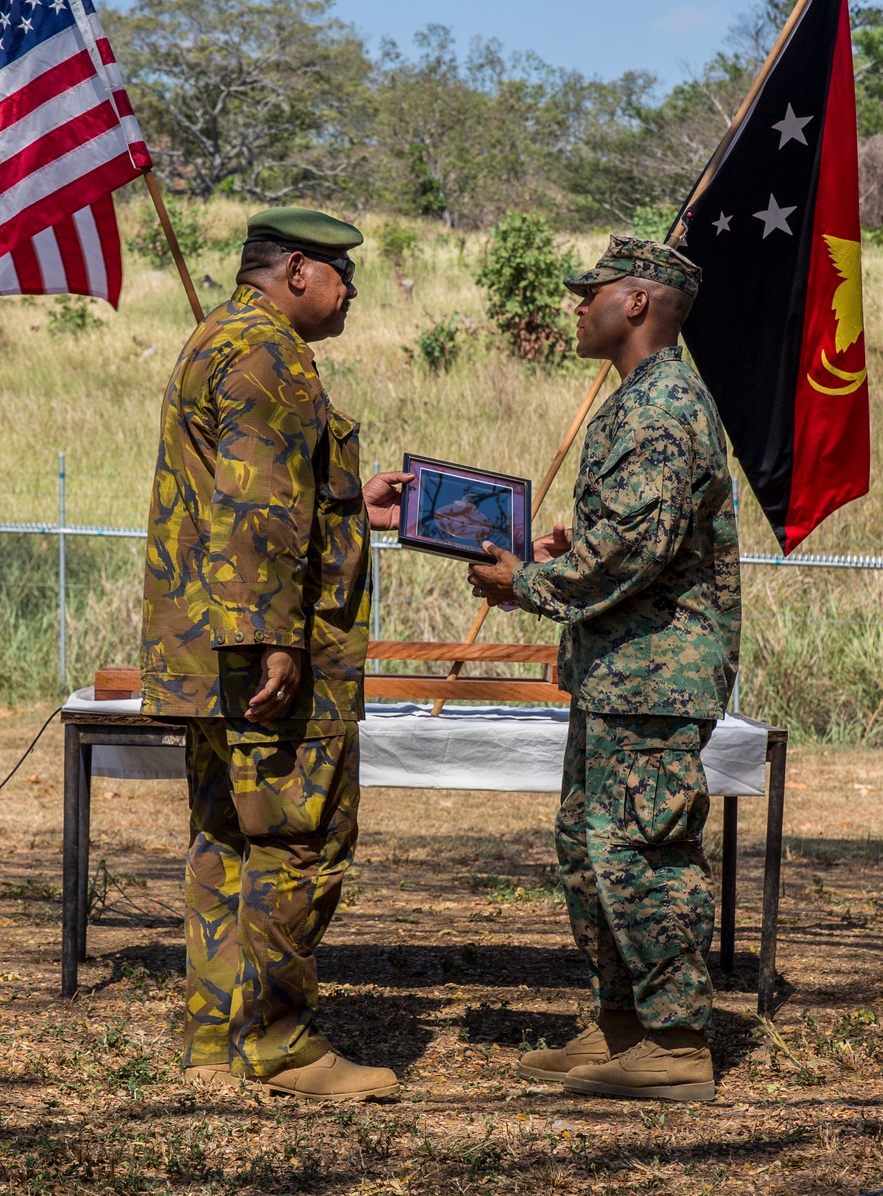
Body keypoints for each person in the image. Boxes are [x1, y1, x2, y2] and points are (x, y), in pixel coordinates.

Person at [140, 207, 411, 1102]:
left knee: (225, 838)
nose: (351, 292)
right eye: (341, 274)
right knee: (298, 840)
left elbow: (259, 489)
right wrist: (273, 643)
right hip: (263, 657)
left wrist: (345, 499)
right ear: (297, 270)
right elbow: (255, 514)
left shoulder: (220, 336)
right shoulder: (271, 355)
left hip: (205, 651)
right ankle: (281, 1041)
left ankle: (218, 1035)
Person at [467, 236, 741, 1103]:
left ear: (637, 304)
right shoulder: (637, 401)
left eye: (593, 292)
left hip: (657, 675)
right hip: (618, 672)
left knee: (642, 850)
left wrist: (530, 582)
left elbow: (634, 550)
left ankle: (676, 1040)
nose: (578, 305)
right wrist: (563, 552)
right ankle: (622, 1023)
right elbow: (625, 539)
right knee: (591, 852)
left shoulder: (663, 407)